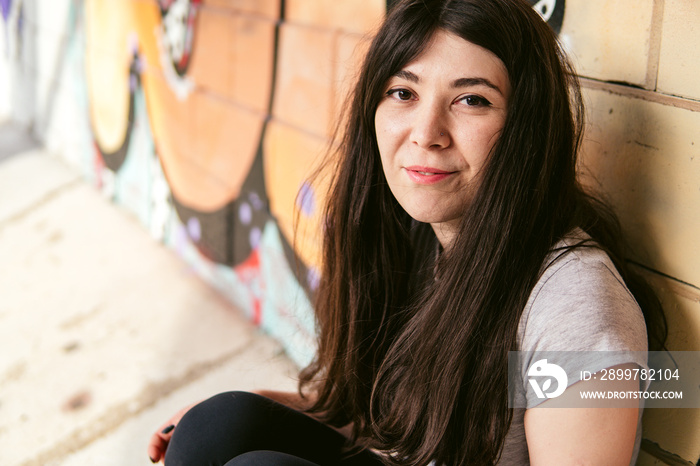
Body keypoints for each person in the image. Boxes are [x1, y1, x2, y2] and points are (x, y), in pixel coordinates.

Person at [148, 0, 666, 464]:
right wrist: (258, 409)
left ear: (528, 128)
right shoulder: (419, 236)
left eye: (472, 101)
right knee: (217, 426)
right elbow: (392, 429)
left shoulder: (577, 303)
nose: (426, 133)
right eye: (403, 92)